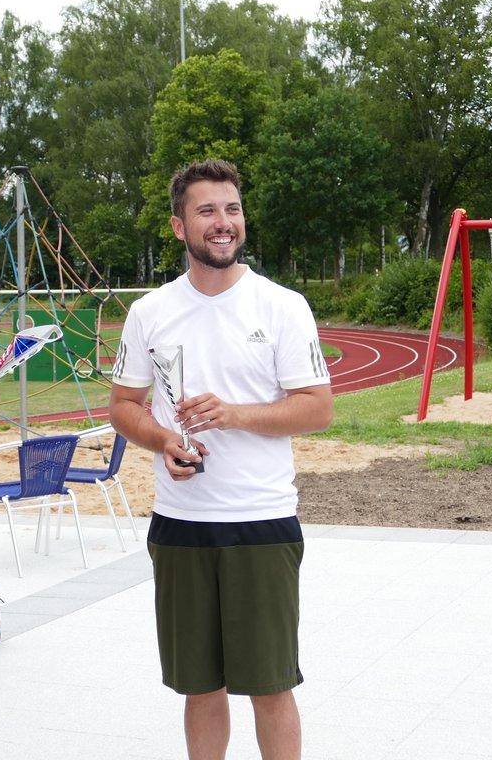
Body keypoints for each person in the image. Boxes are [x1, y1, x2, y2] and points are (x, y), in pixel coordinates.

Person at [109, 159, 334, 760]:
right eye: (206, 210)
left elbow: (317, 409)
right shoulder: (150, 312)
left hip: (260, 522)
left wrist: (234, 414)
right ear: (178, 225)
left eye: (232, 209)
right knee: (199, 686)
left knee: (271, 686)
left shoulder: (282, 306)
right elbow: (124, 407)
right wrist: (164, 440)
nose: (223, 222)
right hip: (181, 525)